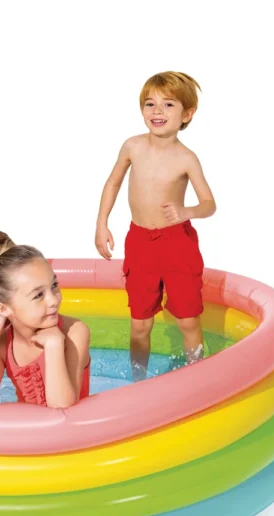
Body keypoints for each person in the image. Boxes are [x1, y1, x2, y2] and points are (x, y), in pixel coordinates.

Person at [94, 71, 216, 381]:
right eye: (150, 104)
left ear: (187, 114)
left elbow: (209, 204)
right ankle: (138, 380)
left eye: (168, 104)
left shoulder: (186, 158)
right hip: (139, 242)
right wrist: (102, 224)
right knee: (140, 324)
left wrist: (187, 211)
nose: (157, 111)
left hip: (177, 243)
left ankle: (197, 378)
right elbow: (113, 183)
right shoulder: (133, 146)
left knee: (188, 321)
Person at [0, 232, 91, 408]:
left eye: (54, 285)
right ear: (3, 309)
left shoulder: (75, 333)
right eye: (38, 295)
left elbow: (63, 409)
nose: (53, 300)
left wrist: (54, 345)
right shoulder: (3, 344)